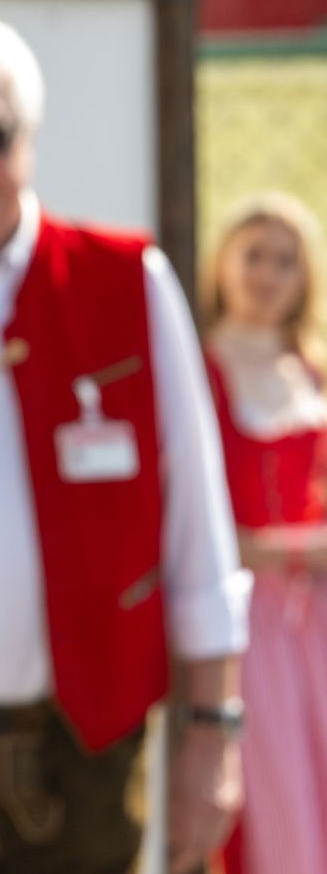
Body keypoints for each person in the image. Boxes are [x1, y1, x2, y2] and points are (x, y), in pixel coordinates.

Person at [0, 12, 251, 874]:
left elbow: (198, 529)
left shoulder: (125, 279)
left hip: (88, 751)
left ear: (29, 136)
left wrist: (213, 732)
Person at [200, 193, 327, 874]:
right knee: (275, 794)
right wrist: (296, 548)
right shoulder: (203, 371)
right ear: (222, 263)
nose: (268, 274)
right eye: (253, 255)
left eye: (286, 259)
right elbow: (210, 523)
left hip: (319, 616)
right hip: (250, 620)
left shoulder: (313, 370)